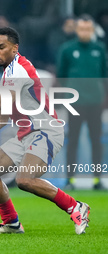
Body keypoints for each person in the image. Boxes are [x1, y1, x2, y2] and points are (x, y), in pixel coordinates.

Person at [0, 27, 90, 235]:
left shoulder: (19, 70)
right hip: (26, 134)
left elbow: (5, 102)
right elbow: (2, 118)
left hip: (46, 131)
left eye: (1, 47)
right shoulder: (9, 73)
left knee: (25, 180)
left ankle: (75, 206)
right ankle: (11, 222)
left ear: (15, 48)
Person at [57, 14, 107, 190]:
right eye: (82, 28)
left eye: (88, 29)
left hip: (95, 102)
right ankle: (70, 179)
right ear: (76, 29)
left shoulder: (100, 49)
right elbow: (61, 75)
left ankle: (97, 179)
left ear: (92, 30)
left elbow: (104, 76)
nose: (85, 32)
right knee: (73, 141)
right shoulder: (67, 49)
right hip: (75, 103)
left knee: (96, 140)